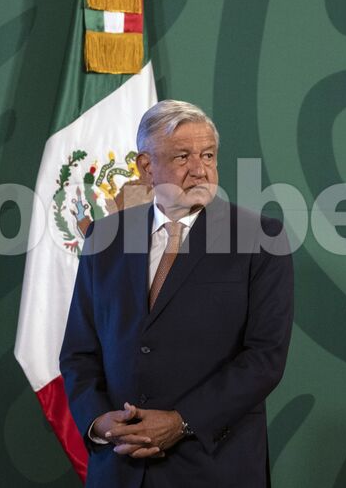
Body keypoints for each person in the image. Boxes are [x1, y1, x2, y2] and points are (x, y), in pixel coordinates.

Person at [59, 100, 294, 487]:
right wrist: (99, 422)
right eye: (183, 156)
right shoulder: (104, 238)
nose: (200, 169)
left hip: (214, 466)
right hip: (120, 469)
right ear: (146, 167)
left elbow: (265, 358)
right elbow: (79, 353)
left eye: (208, 155)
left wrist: (181, 422)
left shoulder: (260, 239)